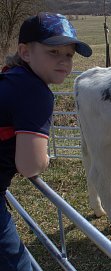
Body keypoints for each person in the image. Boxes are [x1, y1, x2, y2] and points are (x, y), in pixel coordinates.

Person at [0, 12, 92, 271]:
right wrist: (45, 159)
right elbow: (31, 165)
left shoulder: (13, 76)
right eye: (54, 52)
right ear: (25, 52)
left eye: (69, 55)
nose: (64, 61)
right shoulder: (35, 92)